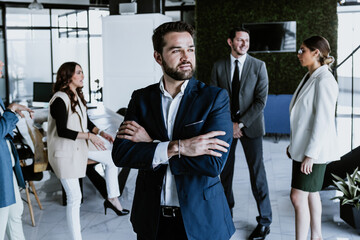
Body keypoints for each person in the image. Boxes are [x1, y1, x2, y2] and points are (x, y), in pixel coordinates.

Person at [112, 21, 235, 240]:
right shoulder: (141, 99)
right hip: (151, 219)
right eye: (176, 50)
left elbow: (213, 163)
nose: (186, 57)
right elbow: (121, 154)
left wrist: (152, 146)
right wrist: (181, 147)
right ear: (158, 57)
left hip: (201, 220)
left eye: (190, 49)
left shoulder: (214, 98)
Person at [47, 62, 129, 240]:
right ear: (68, 76)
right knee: (74, 198)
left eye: (82, 72)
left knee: (112, 157)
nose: (83, 76)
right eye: (79, 73)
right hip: (65, 153)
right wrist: (90, 137)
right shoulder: (59, 99)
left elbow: (86, 122)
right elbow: (62, 131)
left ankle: (112, 198)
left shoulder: (76, 95)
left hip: (79, 146)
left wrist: (101, 133)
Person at [210, 27, 272, 239]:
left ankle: (265, 221)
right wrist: (229, 126)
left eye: (247, 40)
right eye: (240, 40)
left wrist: (241, 124)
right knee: (225, 174)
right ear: (230, 42)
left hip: (251, 128)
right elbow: (215, 100)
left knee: (257, 174)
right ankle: (227, 214)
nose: (244, 43)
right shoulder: (218, 66)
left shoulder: (259, 66)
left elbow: (260, 101)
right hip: (226, 129)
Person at [287, 36, 339, 240]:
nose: (299, 54)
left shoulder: (325, 80)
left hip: (313, 152)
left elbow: (322, 122)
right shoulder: (311, 76)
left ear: (316, 53)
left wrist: (310, 155)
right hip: (304, 149)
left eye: (302, 50)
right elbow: (303, 118)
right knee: (310, 193)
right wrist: (295, 146)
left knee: (297, 196)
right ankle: (316, 236)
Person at [0, 60, 33, 240]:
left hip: (7, 166)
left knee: (15, 214)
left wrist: (10, 112)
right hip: (0, 169)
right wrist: (11, 110)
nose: (2, 63)